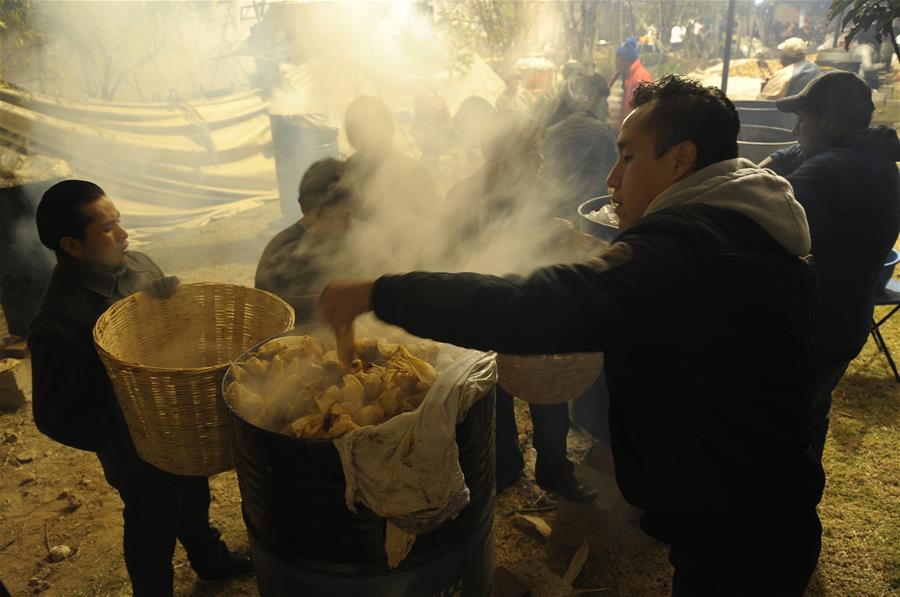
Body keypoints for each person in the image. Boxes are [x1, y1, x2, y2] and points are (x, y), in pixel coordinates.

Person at [320, 75, 824, 596]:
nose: (612, 178)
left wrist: (382, 293)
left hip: (738, 533)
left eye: (627, 158)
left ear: (680, 160)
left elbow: (529, 306)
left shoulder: (684, 254)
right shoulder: (745, 227)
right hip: (755, 508)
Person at [27, 180, 252, 597]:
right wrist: (128, 437)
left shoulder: (138, 266)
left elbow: (172, 334)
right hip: (135, 454)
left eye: (120, 221)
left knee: (194, 496)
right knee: (152, 526)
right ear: (72, 246)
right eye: (108, 228)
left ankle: (209, 559)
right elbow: (53, 416)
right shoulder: (58, 321)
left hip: (181, 431)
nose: (124, 234)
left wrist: (171, 300)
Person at [444, 113, 596, 502]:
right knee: (494, 393)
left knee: (549, 393)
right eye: (534, 152)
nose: (542, 161)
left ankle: (553, 469)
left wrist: (558, 236)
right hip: (486, 311)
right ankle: (504, 467)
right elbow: (452, 257)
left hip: (535, 309)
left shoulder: (539, 191)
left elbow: (553, 250)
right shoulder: (465, 196)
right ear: (508, 157)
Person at [760, 71, 900, 458]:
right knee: (811, 413)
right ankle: (800, 497)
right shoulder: (875, 156)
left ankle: (782, 506)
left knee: (781, 429)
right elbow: (793, 153)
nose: (796, 128)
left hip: (814, 330)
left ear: (830, 120)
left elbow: (757, 201)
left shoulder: (832, 172)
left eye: (803, 120)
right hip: (845, 323)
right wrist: (773, 160)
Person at [255, 158, 393, 322]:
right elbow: (264, 308)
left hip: (366, 331)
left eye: (348, 215)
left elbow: (389, 286)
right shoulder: (282, 247)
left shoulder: (368, 236)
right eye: (333, 218)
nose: (346, 224)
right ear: (303, 208)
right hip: (299, 337)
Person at [342, 95, 439, 269]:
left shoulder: (415, 173)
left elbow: (434, 226)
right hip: (361, 268)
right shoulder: (342, 175)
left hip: (411, 268)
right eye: (365, 131)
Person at [542, 74, 618, 218]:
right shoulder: (603, 133)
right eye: (604, 101)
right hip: (590, 212)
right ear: (594, 101)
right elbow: (614, 173)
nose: (607, 107)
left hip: (556, 209)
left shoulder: (554, 130)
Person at [612, 36, 653, 128]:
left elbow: (643, 112)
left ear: (625, 61)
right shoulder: (624, 74)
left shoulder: (641, 78)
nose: (615, 62)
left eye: (617, 59)